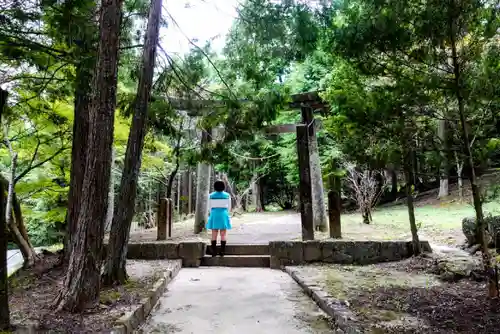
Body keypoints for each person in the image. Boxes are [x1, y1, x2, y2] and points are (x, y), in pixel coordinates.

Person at [207, 180, 232, 257]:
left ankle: (214, 252)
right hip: (223, 214)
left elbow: (209, 207)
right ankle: (222, 252)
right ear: (223, 186)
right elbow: (229, 207)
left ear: (215, 187)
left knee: (214, 234)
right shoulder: (227, 195)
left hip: (214, 214)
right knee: (223, 234)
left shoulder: (210, 195)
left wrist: (212, 212)